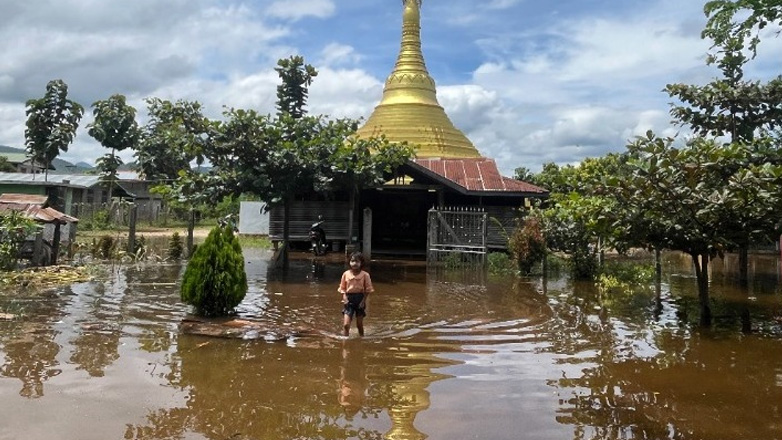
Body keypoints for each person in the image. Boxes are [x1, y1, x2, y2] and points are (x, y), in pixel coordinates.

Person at [338, 252, 374, 336]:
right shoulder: (346, 274)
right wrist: (344, 298)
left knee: (359, 325)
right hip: (348, 299)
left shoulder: (365, 275)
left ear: (361, 263)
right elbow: (342, 288)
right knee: (346, 325)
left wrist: (363, 301)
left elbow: (368, 290)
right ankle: (345, 341)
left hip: (360, 299)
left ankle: (362, 338)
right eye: (352, 261)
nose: (354, 263)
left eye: (357, 261)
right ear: (349, 262)